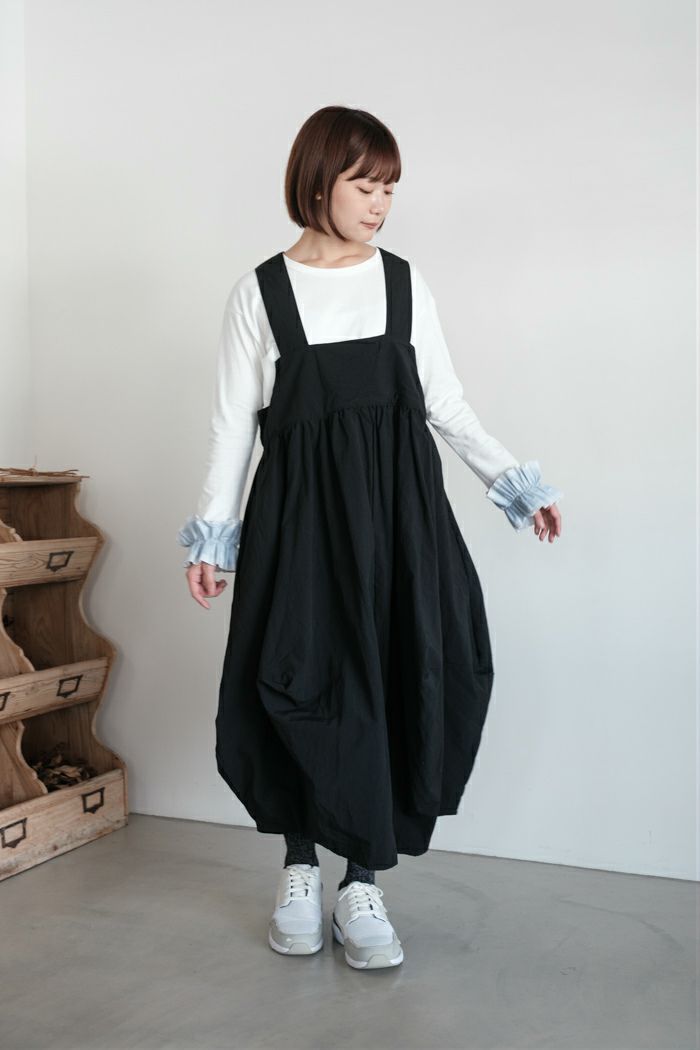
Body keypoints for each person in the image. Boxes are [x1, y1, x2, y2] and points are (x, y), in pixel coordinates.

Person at [177, 105, 563, 971]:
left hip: (397, 520)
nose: (382, 203)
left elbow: (445, 404)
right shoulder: (260, 293)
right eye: (365, 184)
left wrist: (513, 482)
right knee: (299, 678)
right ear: (318, 181)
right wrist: (213, 538)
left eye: (391, 187)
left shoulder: (402, 282)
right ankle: (299, 867)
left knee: (393, 674)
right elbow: (232, 427)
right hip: (300, 524)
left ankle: (362, 882)